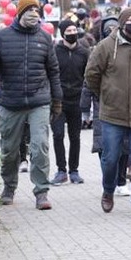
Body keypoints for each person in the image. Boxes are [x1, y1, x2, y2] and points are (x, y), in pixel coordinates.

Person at [0, 0, 63, 210]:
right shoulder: (2, 37)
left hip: (39, 101)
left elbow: (53, 71)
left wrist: (57, 100)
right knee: (9, 150)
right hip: (10, 101)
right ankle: (9, 187)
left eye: (36, 11)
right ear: (19, 13)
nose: (33, 14)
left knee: (40, 146)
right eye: (29, 10)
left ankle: (41, 192)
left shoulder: (45, 38)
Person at [85, 7, 131, 218]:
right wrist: (105, 94)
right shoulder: (106, 46)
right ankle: (108, 190)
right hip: (112, 114)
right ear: (123, 24)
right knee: (110, 158)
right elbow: (91, 75)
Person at [51, 20, 90, 185]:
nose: (73, 33)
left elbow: (88, 75)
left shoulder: (84, 52)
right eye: (69, 30)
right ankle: (61, 170)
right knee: (58, 134)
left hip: (77, 100)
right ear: (62, 33)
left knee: (75, 137)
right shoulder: (54, 52)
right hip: (58, 101)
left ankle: (74, 170)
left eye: (75, 30)